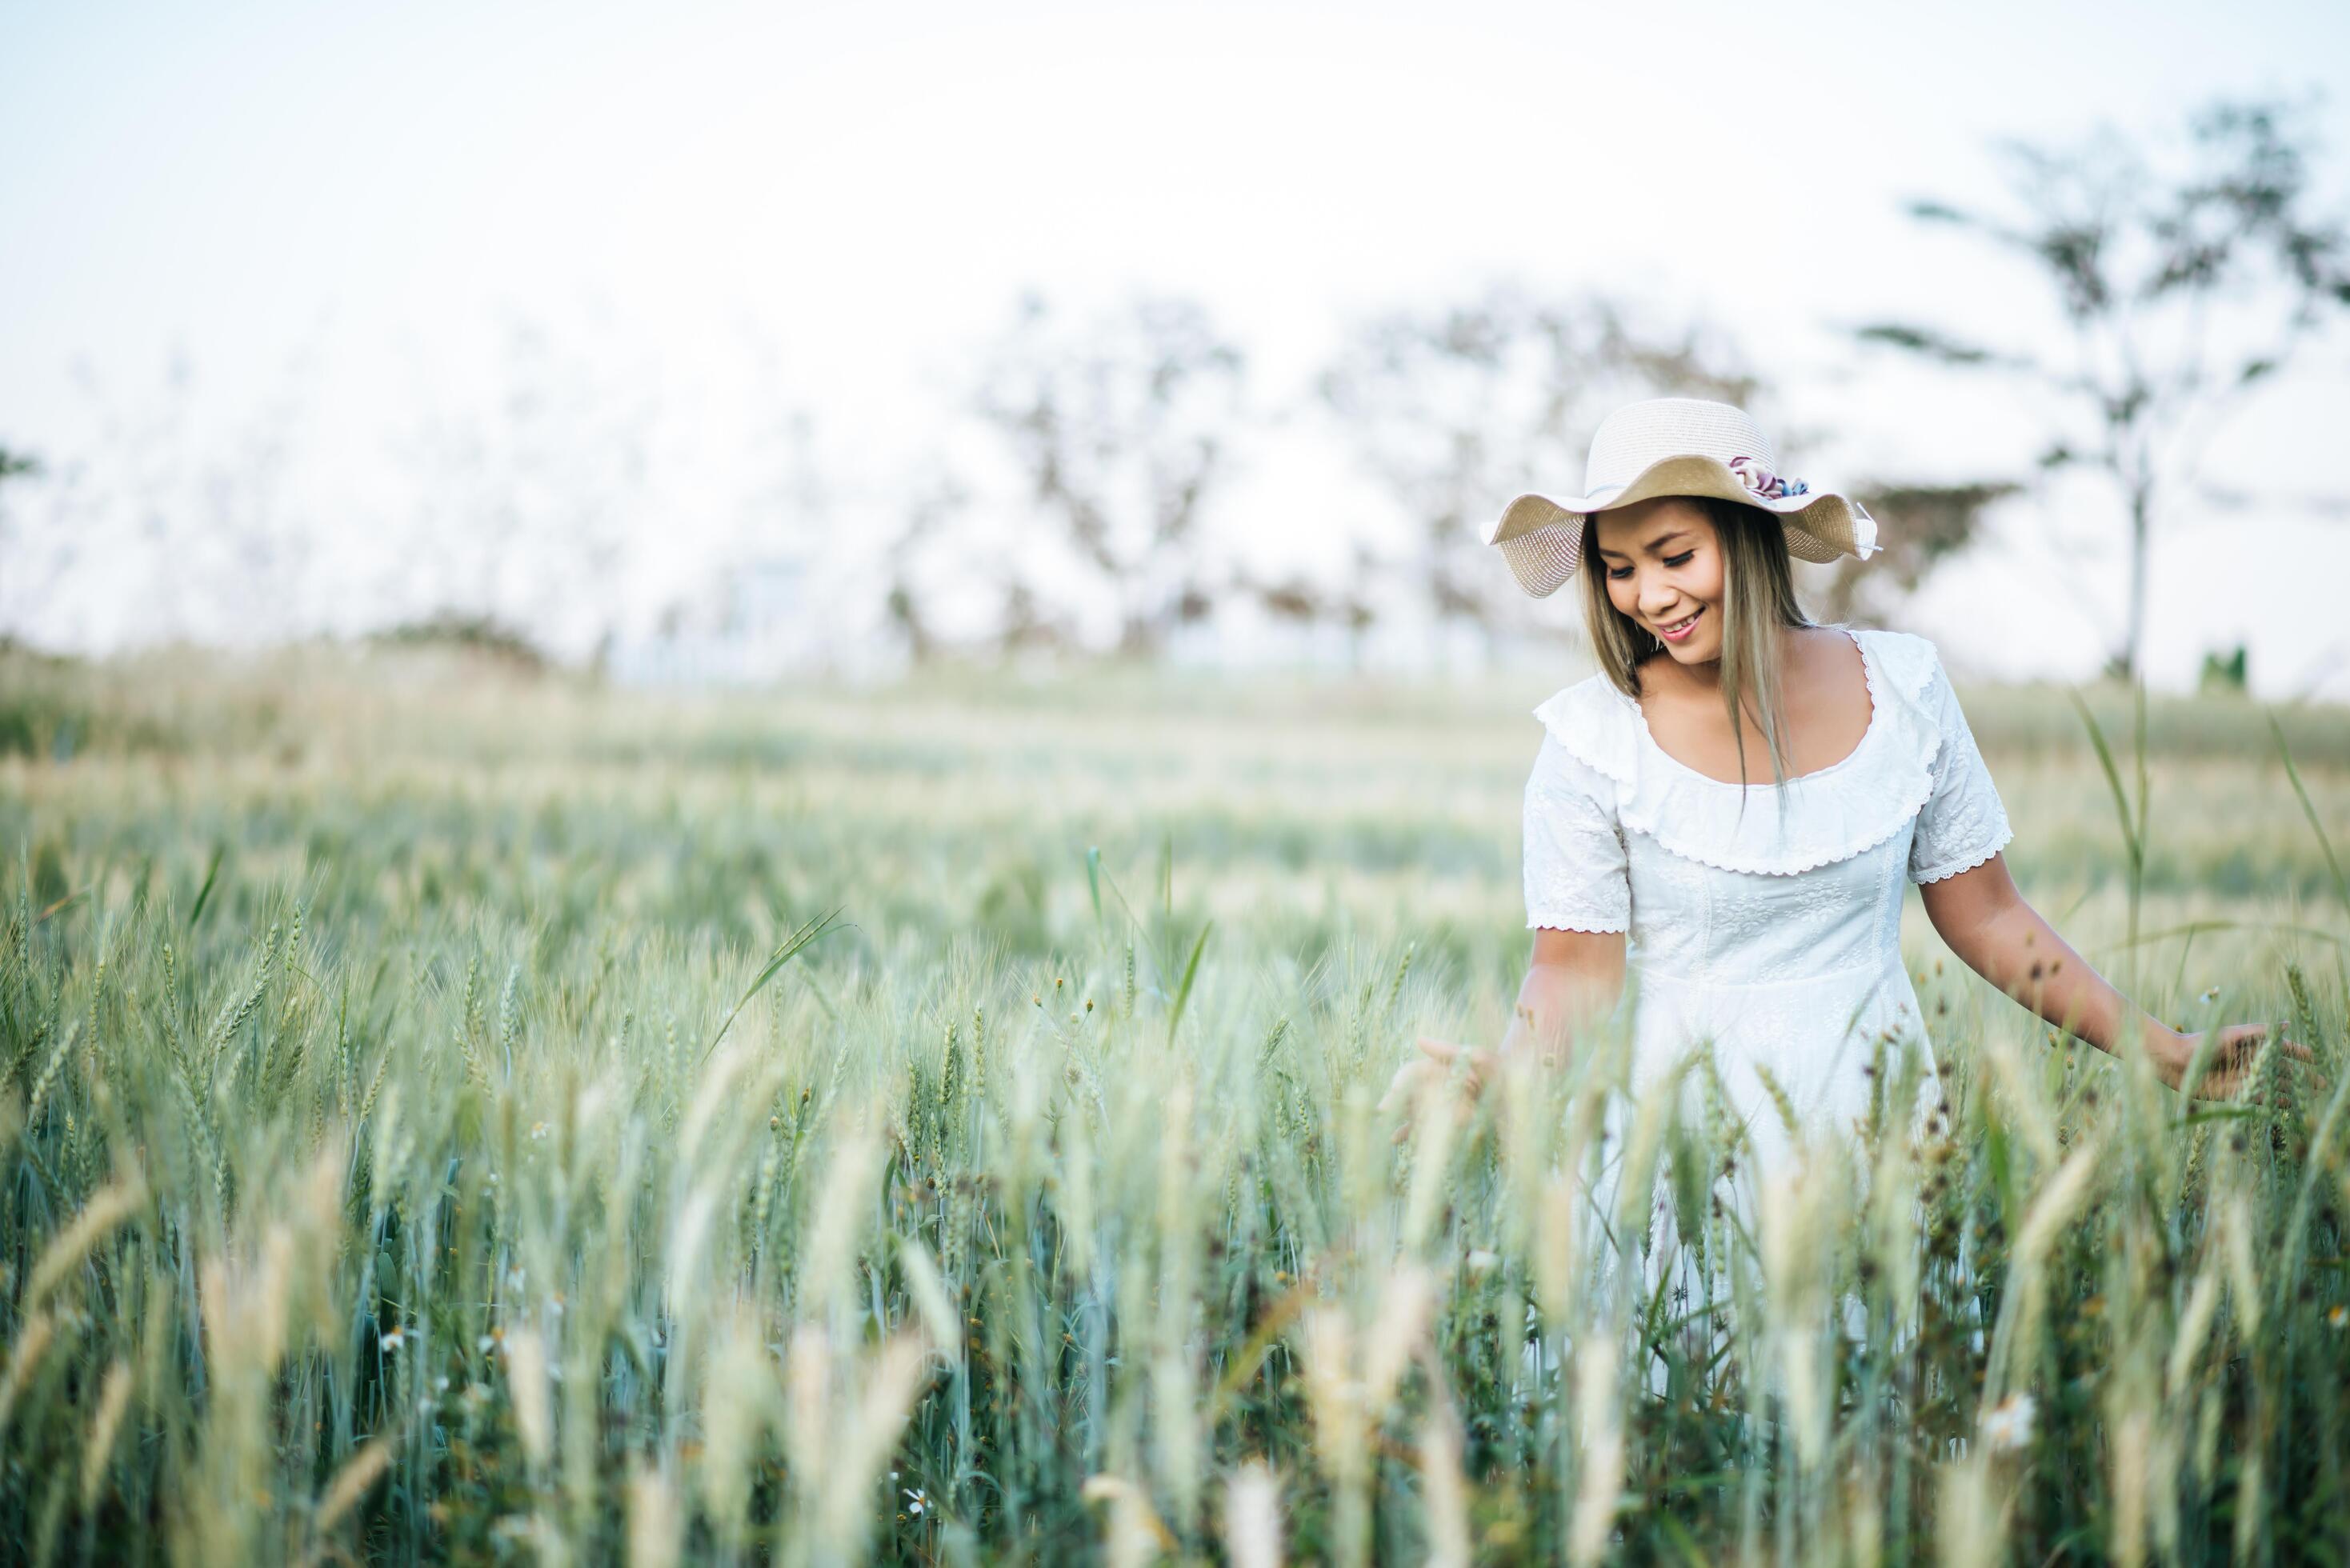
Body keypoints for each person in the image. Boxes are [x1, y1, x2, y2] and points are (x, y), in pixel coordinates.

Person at [1383, 397, 2312, 1193]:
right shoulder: (1594, 741)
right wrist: (1512, 1075)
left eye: (1674, 555)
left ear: (1745, 538)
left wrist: (2164, 1051)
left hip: (1881, 1133)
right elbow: (1573, 970)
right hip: (1676, 1156)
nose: (1650, 595)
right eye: (1619, 568)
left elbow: (1988, 917)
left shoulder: (1903, 687)